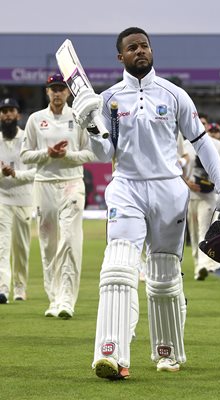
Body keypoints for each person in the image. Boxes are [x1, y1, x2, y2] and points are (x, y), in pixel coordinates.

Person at [71, 27, 220, 379]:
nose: (141, 51)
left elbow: (201, 143)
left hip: (169, 189)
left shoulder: (174, 95)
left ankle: (167, 353)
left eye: (145, 46)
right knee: (118, 266)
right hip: (126, 186)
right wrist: (91, 129)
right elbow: (105, 152)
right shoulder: (107, 99)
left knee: (165, 276)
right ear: (119, 56)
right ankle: (112, 355)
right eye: (132, 47)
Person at [20, 73, 96, 318]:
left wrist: (67, 157)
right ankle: (53, 300)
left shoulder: (78, 117)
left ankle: (67, 300)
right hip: (43, 185)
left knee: (71, 241)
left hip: (72, 183)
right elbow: (25, 155)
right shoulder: (35, 119)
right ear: (47, 92)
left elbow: (91, 153)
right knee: (48, 244)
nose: (57, 93)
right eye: (53, 89)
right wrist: (47, 154)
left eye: (61, 89)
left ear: (68, 92)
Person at [183, 113, 220, 280]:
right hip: (190, 196)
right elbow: (176, 169)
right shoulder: (185, 145)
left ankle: (203, 265)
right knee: (193, 234)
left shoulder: (215, 145)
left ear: (207, 126)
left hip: (208, 197)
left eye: (203, 123)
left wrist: (210, 183)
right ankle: (198, 265)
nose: (200, 125)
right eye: (198, 122)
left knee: (204, 230)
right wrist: (187, 182)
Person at [0, 98, 35, 304]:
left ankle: (20, 288)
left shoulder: (27, 140)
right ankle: (2, 289)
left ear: (18, 115)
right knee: (2, 246)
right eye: (3, 111)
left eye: (10, 110)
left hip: (24, 199)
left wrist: (15, 174)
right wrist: (3, 174)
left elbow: (36, 171)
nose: (6, 115)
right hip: (2, 199)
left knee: (21, 248)